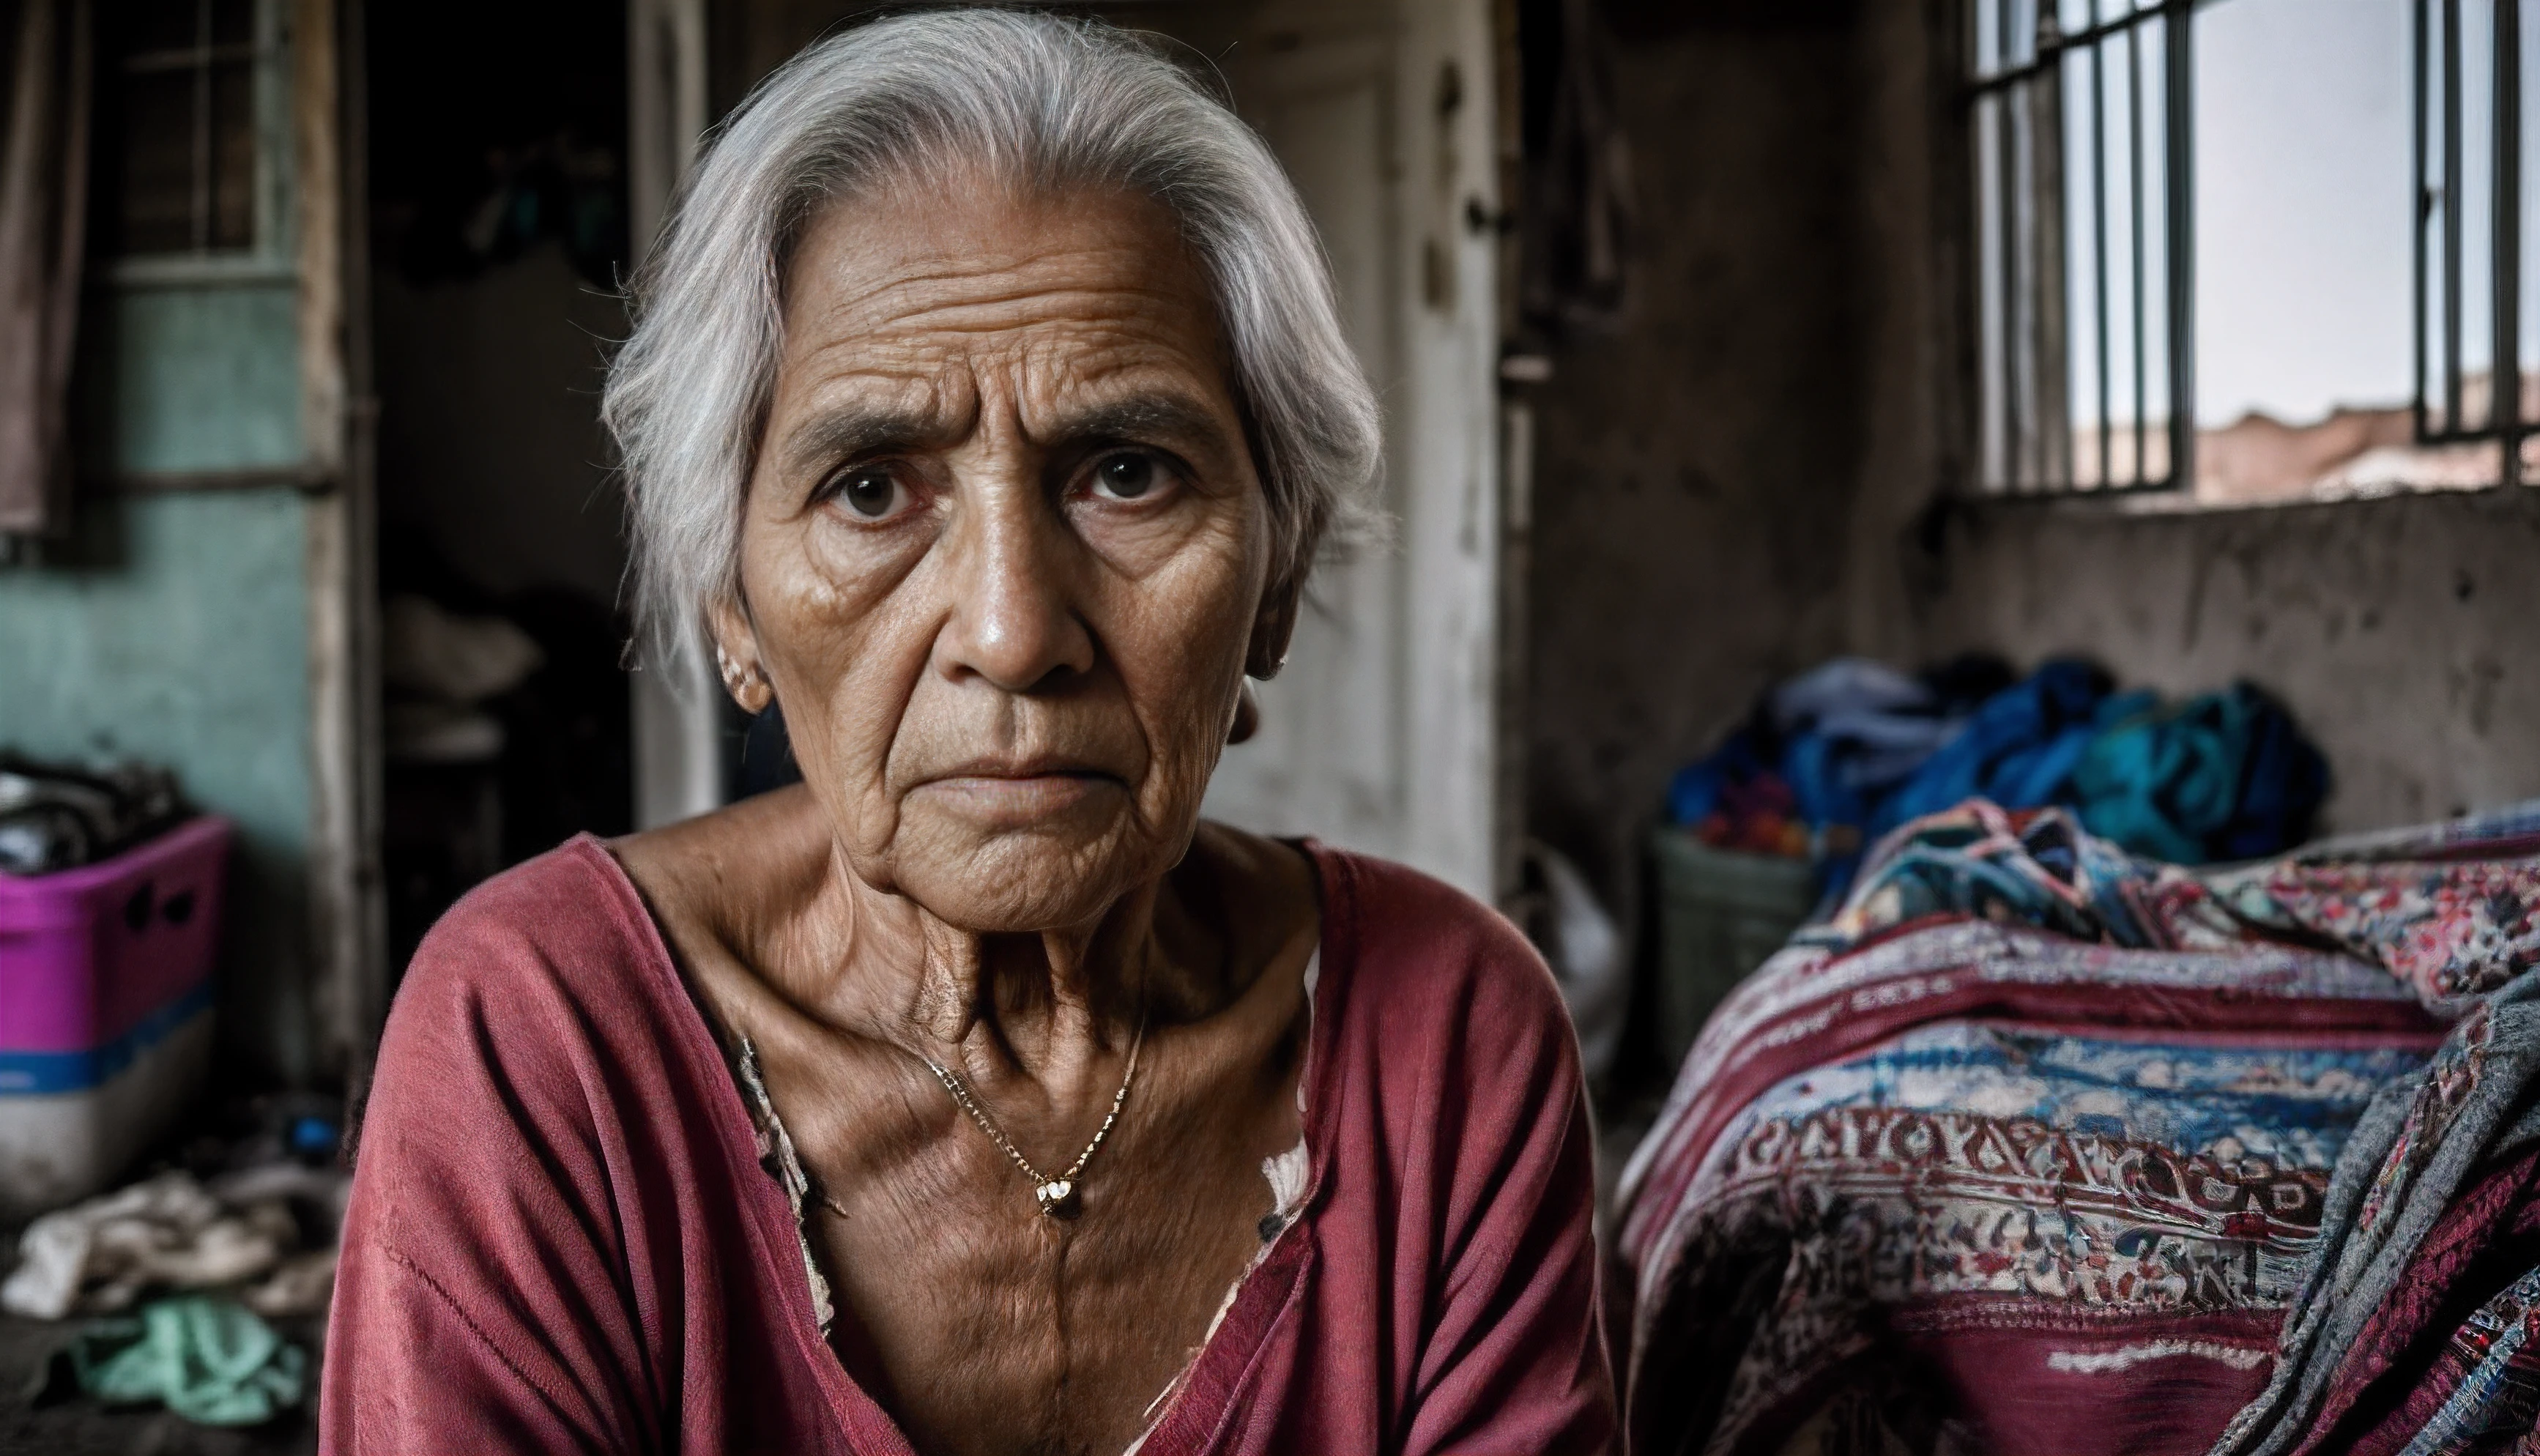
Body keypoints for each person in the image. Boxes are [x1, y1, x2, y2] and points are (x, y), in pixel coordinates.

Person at [319, 11, 1618, 1455]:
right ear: (733, 610)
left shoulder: (1449, 1041)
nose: (1011, 630)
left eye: (1126, 472)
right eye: (871, 490)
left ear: (1277, 583)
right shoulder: (543, 1041)